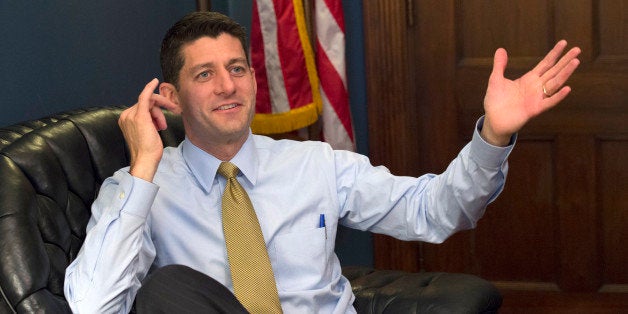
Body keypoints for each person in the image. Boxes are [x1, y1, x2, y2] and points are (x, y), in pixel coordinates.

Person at [63, 11, 581, 314]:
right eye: (204, 75)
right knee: (167, 289)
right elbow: (91, 306)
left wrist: (494, 133)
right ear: (171, 96)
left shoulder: (317, 164)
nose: (227, 86)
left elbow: (435, 212)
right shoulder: (138, 187)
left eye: (237, 67)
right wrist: (144, 167)